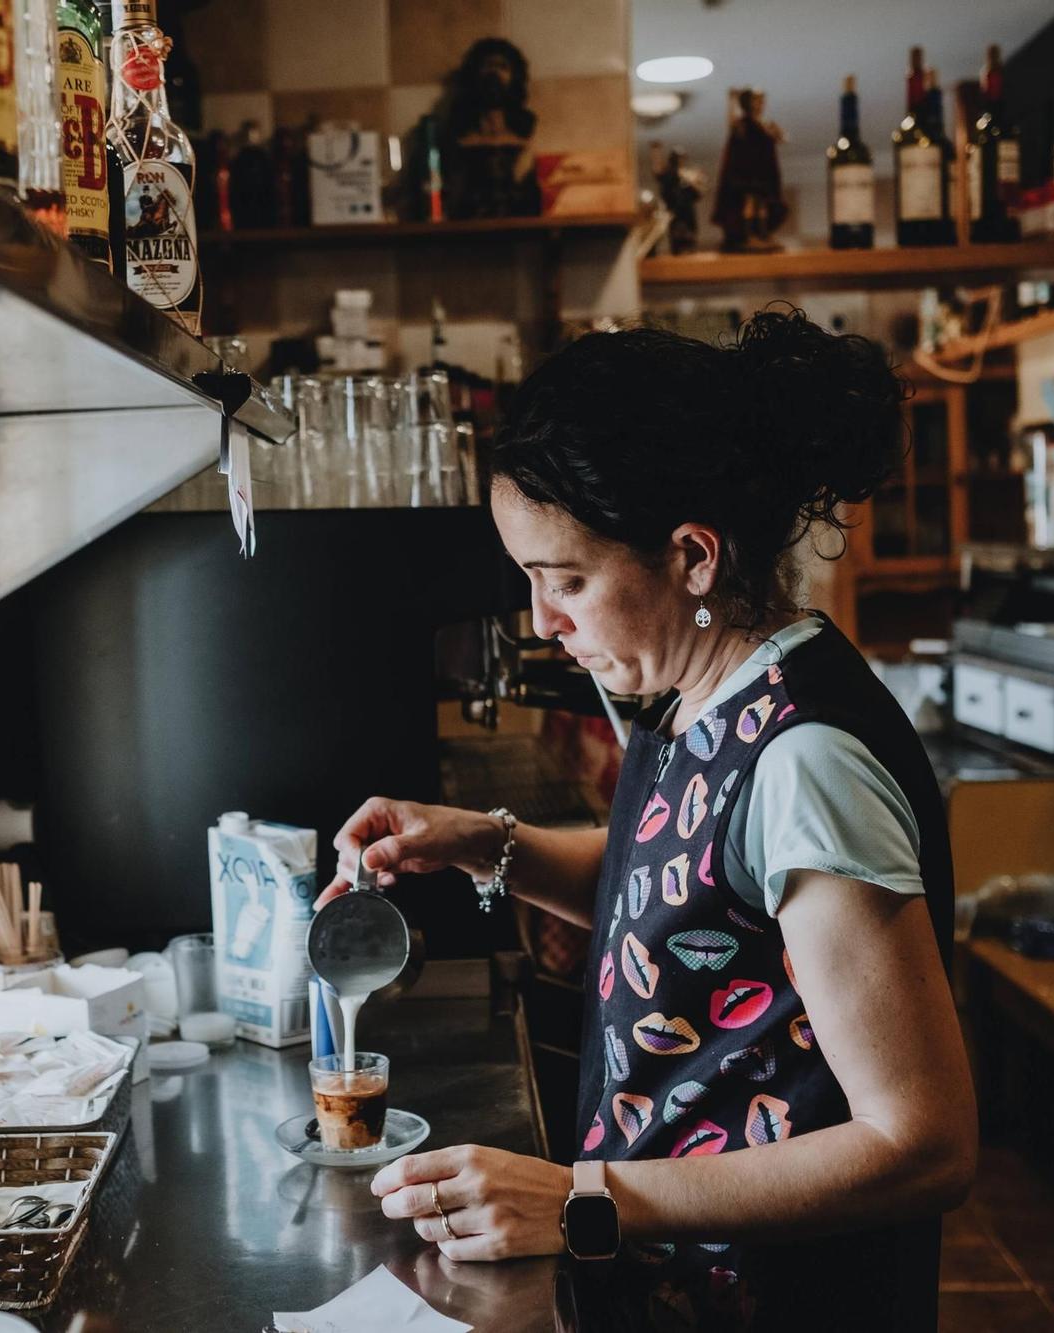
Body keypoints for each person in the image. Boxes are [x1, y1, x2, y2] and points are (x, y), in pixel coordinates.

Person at [317, 310, 975, 1330]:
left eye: (565, 579)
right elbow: (684, 905)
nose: (542, 619)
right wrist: (482, 843)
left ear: (692, 557)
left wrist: (586, 1197)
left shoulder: (805, 761)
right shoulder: (692, 697)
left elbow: (921, 1141)